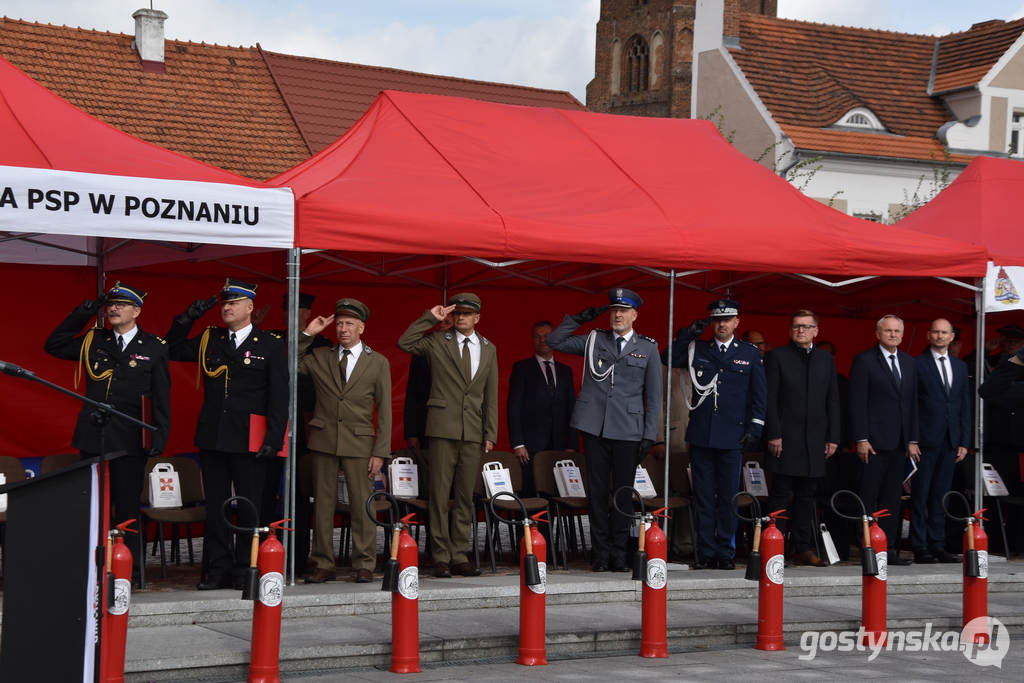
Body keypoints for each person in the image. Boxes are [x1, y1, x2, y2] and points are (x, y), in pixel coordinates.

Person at [165, 279, 288, 590]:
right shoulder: (210, 339)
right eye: (224, 303)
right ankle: (217, 571)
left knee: (250, 507)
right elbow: (172, 349)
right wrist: (186, 319)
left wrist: (274, 440)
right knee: (217, 507)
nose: (227, 308)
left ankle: (246, 570)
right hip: (215, 436)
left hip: (251, 439)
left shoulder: (270, 344)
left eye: (234, 303)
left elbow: (279, 397)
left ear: (250, 308)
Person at [44, 282, 170, 580]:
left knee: (127, 505)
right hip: (95, 434)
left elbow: (161, 395)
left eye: (122, 304)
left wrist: (159, 435)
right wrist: (85, 311)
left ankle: (130, 570)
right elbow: (54, 344)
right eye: (111, 304)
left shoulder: (154, 347)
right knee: (94, 504)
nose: (114, 308)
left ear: (137, 310)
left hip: (131, 436)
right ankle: (93, 568)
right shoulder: (94, 340)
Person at [547, 288, 662, 572]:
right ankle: (600, 553)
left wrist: (649, 434)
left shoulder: (648, 348)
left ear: (635, 315)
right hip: (594, 425)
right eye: (614, 310)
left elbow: (654, 396)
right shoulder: (594, 339)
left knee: (623, 493)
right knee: (597, 493)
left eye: (623, 311)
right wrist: (578, 319)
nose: (617, 315)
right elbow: (554, 340)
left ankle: (619, 553)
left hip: (627, 429)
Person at [398, 293, 497, 578]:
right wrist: (431, 317)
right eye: (458, 314)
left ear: (477, 317)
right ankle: (440, 555)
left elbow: (490, 394)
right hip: (442, 427)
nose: (461, 318)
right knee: (440, 495)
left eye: (467, 314)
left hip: (472, 431)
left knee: (465, 496)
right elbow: (404, 343)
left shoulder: (489, 348)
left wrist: (489, 431)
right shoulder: (436, 341)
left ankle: (458, 553)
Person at [668, 298, 766, 570]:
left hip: (732, 436)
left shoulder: (748, 353)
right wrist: (688, 333)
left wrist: (755, 427)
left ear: (736, 322)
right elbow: (667, 358)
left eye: (727, 319)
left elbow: (759, 395)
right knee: (703, 497)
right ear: (712, 323)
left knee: (727, 497)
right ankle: (705, 552)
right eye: (717, 320)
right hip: (701, 434)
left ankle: (725, 552)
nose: (721, 324)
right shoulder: (697, 348)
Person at [299, 298, 391, 583]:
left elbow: (386, 410)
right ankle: (323, 563)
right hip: (324, 440)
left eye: (349, 323)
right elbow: (289, 363)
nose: (342, 329)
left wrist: (380, 452)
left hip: (360, 442)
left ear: (361, 327)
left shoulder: (377, 362)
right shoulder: (320, 355)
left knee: (362, 504)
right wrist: (308, 334)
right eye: (339, 323)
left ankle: (364, 562)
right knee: (323, 504)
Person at [764, 310, 839, 567]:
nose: (801, 330)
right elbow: (769, 399)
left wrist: (833, 437)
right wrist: (773, 433)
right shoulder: (777, 356)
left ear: (816, 331)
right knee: (780, 493)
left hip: (815, 439)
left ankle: (803, 548)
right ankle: (776, 548)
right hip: (785, 437)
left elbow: (833, 401)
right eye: (796, 326)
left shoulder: (825, 360)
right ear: (790, 330)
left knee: (808, 495)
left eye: (806, 327)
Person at [849, 314, 920, 566]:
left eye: (896, 331)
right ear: (878, 333)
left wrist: (913, 439)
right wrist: (861, 438)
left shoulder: (909, 362)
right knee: (869, 495)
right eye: (888, 331)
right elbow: (857, 403)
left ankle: (888, 548)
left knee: (892, 498)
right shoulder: (865, 360)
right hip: (873, 443)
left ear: (902, 334)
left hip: (900, 443)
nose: (892, 335)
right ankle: (867, 546)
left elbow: (911, 404)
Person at [911, 318, 970, 564]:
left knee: (940, 495)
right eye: (935, 332)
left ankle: (938, 544)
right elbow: (911, 405)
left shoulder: (960, 366)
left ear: (951, 336)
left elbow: (964, 405)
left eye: (944, 332)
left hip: (950, 441)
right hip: (924, 441)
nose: (939, 336)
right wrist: (911, 439)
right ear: (928, 335)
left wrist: (965, 441)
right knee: (920, 495)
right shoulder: (916, 364)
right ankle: (920, 545)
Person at [507, 320, 579, 497]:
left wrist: (572, 445)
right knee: (530, 493)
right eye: (537, 337)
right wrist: (518, 443)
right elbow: (513, 407)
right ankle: (529, 526)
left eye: (546, 336)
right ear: (532, 340)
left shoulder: (566, 371)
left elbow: (573, 409)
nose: (542, 340)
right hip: (530, 446)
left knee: (556, 493)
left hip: (559, 445)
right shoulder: (521, 368)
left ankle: (551, 527)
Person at [403, 313, 454, 451]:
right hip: (427, 427)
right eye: (437, 323)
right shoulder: (424, 350)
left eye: (447, 323)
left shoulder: (470, 351)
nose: (441, 327)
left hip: (460, 431)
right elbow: (413, 394)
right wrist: (411, 433)